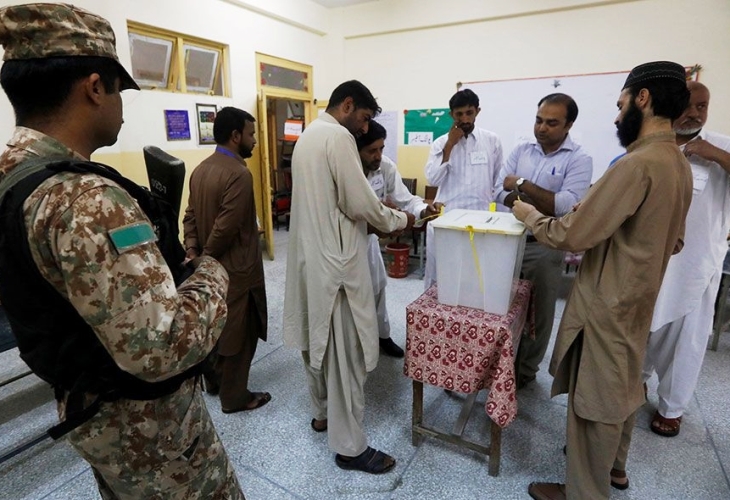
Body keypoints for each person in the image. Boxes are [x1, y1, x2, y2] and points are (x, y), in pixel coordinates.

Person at [0, 4, 243, 499]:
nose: (122, 107)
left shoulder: (11, 176)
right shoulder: (88, 201)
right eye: (119, 91)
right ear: (94, 87)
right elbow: (162, 346)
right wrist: (213, 273)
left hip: (88, 409)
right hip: (148, 431)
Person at [512, 61, 692, 500]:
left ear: (642, 99)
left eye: (620, 104)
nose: (615, 116)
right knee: (625, 386)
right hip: (638, 297)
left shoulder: (636, 164)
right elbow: (676, 241)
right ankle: (614, 469)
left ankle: (584, 491)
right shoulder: (677, 162)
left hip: (609, 302)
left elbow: (572, 233)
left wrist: (527, 212)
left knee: (595, 401)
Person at [283, 80, 415, 474]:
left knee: (317, 345)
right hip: (337, 266)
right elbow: (360, 203)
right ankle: (350, 448)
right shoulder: (337, 137)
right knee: (346, 358)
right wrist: (403, 219)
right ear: (347, 105)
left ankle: (322, 415)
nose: (364, 128)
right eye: (364, 118)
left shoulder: (307, 136)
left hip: (312, 259)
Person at [643, 81, 730, 438]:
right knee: (642, 331)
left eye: (703, 106)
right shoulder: (654, 146)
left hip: (696, 266)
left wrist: (716, 155)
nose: (695, 113)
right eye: (689, 106)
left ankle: (672, 407)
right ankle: (635, 386)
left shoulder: (721, 146)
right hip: (651, 260)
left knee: (686, 339)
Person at [494, 93, 593, 389]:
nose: (542, 128)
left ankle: (525, 369)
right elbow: (499, 191)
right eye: (538, 120)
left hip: (546, 245)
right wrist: (533, 202)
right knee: (503, 305)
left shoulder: (579, 159)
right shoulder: (521, 150)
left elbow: (564, 206)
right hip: (509, 240)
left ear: (569, 125)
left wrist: (522, 186)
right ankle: (501, 364)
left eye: (551, 123)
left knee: (539, 311)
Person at [183, 107, 270, 413]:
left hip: (209, 269)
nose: (255, 140)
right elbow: (225, 227)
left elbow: (190, 216)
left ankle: (214, 381)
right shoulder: (239, 175)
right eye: (251, 134)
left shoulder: (201, 169)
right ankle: (235, 397)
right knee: (238, 335)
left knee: (214, 328)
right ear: (236, 136)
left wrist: (192, 252)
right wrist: (205, 258)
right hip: (236, 270)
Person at [356, 120, 441, 358]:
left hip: (370, 242)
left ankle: (382, 336)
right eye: (372, 150)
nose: (378, 155)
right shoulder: (346, 170)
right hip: (346, 244)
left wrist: (424, 209)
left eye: (381, 148)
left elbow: (406, 200)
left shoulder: (385, 167)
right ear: (356, 149)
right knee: (352, 297)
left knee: (377, 288)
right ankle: (356, 345)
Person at [423, 88, 503, 288]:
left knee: (475, 279)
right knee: (442, 278)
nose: (465, 119)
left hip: (481, 221)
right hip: (448, 222)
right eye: (459, 114)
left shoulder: (491, 140)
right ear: (452, 115)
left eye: (469, 113)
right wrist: (450, 145)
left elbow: (496, 181)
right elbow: (433, 179)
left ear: (478, 111)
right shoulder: (440, 143)